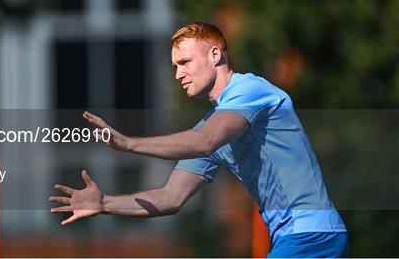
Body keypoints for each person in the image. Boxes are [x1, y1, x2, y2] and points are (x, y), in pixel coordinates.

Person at [49, 22, 349, 257]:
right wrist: (104, 204)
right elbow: (171, 197)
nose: (178, 74)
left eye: (185, 62)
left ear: (215, 54)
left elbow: (205, 141)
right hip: (293, 239)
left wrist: (128, 144)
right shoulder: (210, 127)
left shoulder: (251, 91)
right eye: (175, 66)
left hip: (313, 236)